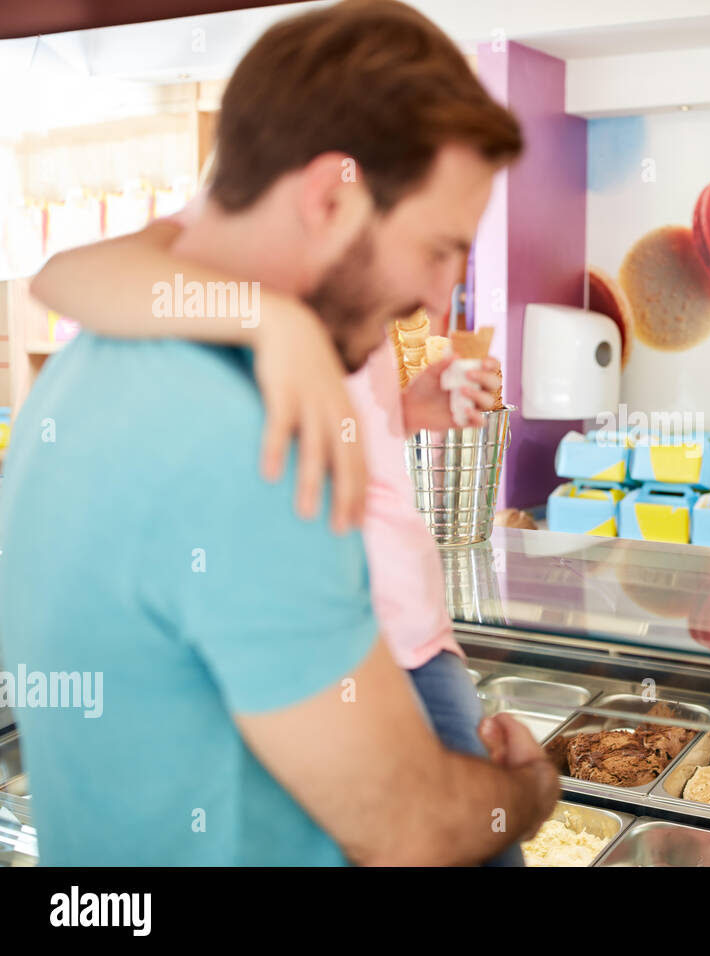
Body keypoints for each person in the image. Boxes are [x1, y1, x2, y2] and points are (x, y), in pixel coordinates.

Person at [0, 0, 558, 865]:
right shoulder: (252, 435)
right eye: (439, 248)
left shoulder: (88, 365)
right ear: (331, 198)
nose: (440, 297)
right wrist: (527, 792)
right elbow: (410, 827)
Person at [31, 187, 521, 868]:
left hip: (411, 623)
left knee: (481, 843)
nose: (441, 283)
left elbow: (349, 415)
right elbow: (66, 275)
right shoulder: (251, 225)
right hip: (318, 623)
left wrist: (412, 407)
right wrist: (276, 321)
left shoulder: (363, 257)